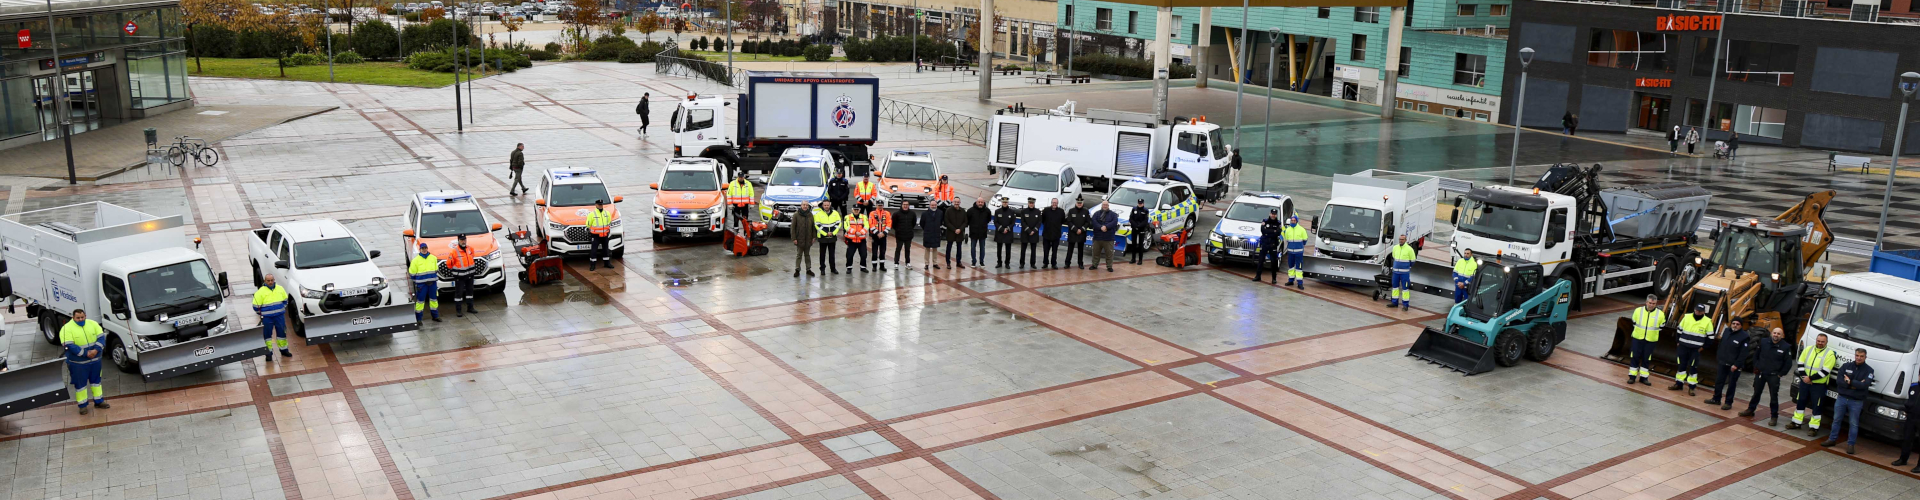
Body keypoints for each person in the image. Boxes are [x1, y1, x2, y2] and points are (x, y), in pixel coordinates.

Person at [1822, 348, 1875, 453]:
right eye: (1857, 355)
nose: (1859, 358)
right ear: (1854, 355)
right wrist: (1855, 384)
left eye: (1861, 356)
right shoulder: (1846, 366)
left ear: (1865, 357)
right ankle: (1832, 439)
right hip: (1841, 398)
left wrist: (1850, 382)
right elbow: (1839, 382)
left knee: (1853, 423)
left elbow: (1865, 385)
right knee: (1836, 420)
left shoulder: (1869, 370)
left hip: (1856, 401)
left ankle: (1851, 445)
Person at [1787, 333, 1838, 436]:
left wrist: (1810, 378)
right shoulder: (1808, 349)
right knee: (1800, 401)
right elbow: (1800, 363)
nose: (1820, 343)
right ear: (1816, 340)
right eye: (1818, 341)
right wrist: (1805, 377)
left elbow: (1825, 371)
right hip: (1805, 382)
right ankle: (1796, 422)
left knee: (1817, 405)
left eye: (1822, 341)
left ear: (1826, 342)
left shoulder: (1830, 354)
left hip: (1818, 385)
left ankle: (1814, 428)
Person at [1742, 327, 1795, 426]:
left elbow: (1788, 364)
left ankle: (1774, 416)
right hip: (1761, 374)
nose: (1776, 335)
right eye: (1774, 333)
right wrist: (1756, 366)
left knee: (1773, 397)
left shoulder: (1786, 347)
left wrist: (1780, 374)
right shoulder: (1763, 342)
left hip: (1774, 376)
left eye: (1778, 334)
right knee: (1756, 393)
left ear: (1782, 336)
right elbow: (1756, 355)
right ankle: (1750, 410)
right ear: (1771, 334)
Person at [60, 309, 109, 415]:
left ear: (85, 316)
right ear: (73, 317)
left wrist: (95, 350)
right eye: (78, 318)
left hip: (95, 360)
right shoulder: (66, 329)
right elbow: (69, 345)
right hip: (78, 364)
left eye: (82, 317)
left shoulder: (93, 324)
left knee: (96, 382)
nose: (81, 319)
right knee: (80, 385)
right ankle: (82, 406)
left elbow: (101, 338)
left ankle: (99, 401)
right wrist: (85, 353)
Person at [1704, 318, 1752, 410]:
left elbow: (1743, 353)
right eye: (1733, 323)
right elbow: (1721, 344)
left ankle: (1728, 402)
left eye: (1737, 324)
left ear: (1741, 326)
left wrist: (1736, 365)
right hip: (1723, 362)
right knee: (1719, 381)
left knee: (1731, 384)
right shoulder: (1726, 331)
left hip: (1734, 366)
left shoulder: (1744, 336)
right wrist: (1719, 356)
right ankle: (1716, 399)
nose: (1735, 325)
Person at [1672, 304, 1713, 395]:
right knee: (1681, 366)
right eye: (1697, 310)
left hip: (1695, 350)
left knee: (1693, 368)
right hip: (1683, 347)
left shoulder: (1707, 321)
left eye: (1700, 311)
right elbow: (1679, 330)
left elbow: (1710, 337)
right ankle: (1679, 384)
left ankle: (1691, 387)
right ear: (1694, 310)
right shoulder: (1686, 317)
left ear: (1703, 312)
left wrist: (1702, 348)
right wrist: (1678, 342)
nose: (1698, 312)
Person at [1627, 294, 1665, 386]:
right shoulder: (1638, 311)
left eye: (1653, 303)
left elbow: (1662, 326)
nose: (1651, 305)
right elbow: (1634, 322)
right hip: (1637, 338)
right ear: (1646, 302)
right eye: (1650, 303)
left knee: (1646, 358)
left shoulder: (1660, 314)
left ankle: (1644, 378)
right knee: (1635, 357)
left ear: (1656, 304)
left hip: (1650, 340)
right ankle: (1632, 377)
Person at [254, 274, 294, 362]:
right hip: (267, 318)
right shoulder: (260, 292)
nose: (270, 282)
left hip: (279, 316)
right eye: (268, 280)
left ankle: (284, 350)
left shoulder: (280, 289)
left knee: (282, 334)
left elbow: (285, 300)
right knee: (267, 336)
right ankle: (268, 353)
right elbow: (256, 307)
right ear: (265, 281)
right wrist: (263, 314)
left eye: (272, 280)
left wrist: (280, 309)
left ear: (274, 280)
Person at [409, 242, 443, 322]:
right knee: (420, 301)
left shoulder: (433, 258)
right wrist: (417, 282)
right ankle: (419, 319)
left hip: (432, 284)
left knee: (434, 300)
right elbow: (412, 273)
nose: (424, 250)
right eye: (422, 249)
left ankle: (435, 316)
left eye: (425, 248)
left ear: (427, 248)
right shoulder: (415, 261)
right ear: (420, 249)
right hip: (421, 285)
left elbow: (436, 270)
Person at [448, 235, 479, 316]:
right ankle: (458, 310)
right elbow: (449, 264)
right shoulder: (454, 251)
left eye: (464, 239)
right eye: (461, 240)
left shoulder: (470, 249)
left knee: (470, 292)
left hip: (470, 275)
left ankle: (470, 307)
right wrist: (456, 272)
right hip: (460, 277)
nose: (463, 241)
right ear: (458, 241)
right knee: (459, 294)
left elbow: (472, 258)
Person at [1894, 375, 1920, 472]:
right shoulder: (1913, 386)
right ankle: (1903, 459)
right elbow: (1910, 399)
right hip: (1911, 417)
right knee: (1907, 439)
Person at [1251, 210, 1282, 284]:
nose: (1273, 215)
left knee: (1273, 262)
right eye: (1272, 214)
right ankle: (1258, 276)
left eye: (1274, 214)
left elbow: (1278, 233)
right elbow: (1263, 231)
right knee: (1260, 261)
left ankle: (1274, 278)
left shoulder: (1278, 223)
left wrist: (1268, 232)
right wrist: (1273, 231)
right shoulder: (1265, 221)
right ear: (1270, 214)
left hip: (1273, 244)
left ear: (1276, 215)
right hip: (1264, 243)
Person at [1387, 234, 1417, 311]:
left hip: (1405, 273)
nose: (1401, 240)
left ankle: (1405, 305)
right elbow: (1394, 257)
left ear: (1405, 240)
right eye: (1400, 239)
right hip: (1395, 272)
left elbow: (1413, 261)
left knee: (1405, 289)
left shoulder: (1409, 249)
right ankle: (1394, 302)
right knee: (1395, 288)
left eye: (1402, 239)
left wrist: (1407, 267)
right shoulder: (1395, 248)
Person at [814, 201, 842, 275]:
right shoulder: (818, 214)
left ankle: (833, 268)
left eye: (827, 205)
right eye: (825, 205)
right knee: (822, 255)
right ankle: (822, 269)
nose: (826, 206)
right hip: (823, 237)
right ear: (822, 206)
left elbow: (838, 223)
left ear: (830, 205)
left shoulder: (835, 213)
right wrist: (826, 233)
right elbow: (817, 225)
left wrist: (833, 233)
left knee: (832, 254)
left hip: (832, 237)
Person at [1091, 201, 1120, 272]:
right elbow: (1094, 222)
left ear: (1108, 205)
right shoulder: (1096, 213)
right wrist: (1100, 227)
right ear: (1102, 205)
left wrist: (1106, 227)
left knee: (1109, 254)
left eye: (1106, 205)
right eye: (1104, 205)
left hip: (1109, 238)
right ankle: (1094, 265)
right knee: (1095, 252)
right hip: (1098, 237)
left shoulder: (1113, 215)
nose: (1105, 206)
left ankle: (1109, 266)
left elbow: (1114, 222)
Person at [1282, 215, 1309, 289]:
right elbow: (1287, 239)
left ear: (1297, 221)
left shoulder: (1301, 229)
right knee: (1290, 267)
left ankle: (1300, 283)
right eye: (1292, 220)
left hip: (1299, 253)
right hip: (1290, 252)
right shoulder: (1288, 230)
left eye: (1294, 220)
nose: (1293, 222)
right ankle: (1291, 280)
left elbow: (1305, 240)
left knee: (1299, 268)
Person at [586, 199, 614, 269]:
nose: (600, 206)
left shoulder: (607, 213)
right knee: (594, 250)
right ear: (596, 205)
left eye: (601, 204)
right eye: (599, 204)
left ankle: (607, 263)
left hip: (605, 235)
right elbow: (588, 224)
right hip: (596, 235)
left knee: (606, 249)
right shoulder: (592, 214)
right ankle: (592, 265)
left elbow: (609, 222)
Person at [1065, 200, 1091, 269]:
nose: (1079, 204)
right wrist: (1076, 230)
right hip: (1073, 233)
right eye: (1078, 203)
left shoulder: (1086, 211)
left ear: (1082, 203)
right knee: (1070, 250)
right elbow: (1069, 221)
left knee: (1080, 250)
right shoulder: (1071, 211)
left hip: (1081, 234)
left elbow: (1088, 222)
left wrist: (1081, 229)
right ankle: (1067, 263)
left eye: (1080, 203)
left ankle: (1080, 263)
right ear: (1076, 203)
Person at [842, 206, 869, 273]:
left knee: (863, 254)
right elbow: (846, 227)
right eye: (855, 209)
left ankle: (863, 267)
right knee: (849, 255)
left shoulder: (864, 217)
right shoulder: (847, 217)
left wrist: (861, 232)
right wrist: (855, 232)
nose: (856, 211)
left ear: (859, 210)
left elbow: (867, 226)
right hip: (851, 240)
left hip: (861, 239)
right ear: (852, 210)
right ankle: (849, 268)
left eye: (857, 209)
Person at [792, 204, 816, 277]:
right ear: (801, 205)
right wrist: (794, 238)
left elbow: (813, 226)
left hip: (808, 238)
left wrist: (814, 236)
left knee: (807, 255)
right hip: (799, 238)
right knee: (799, 255)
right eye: (804, 205)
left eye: (806, 205)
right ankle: (797, 269)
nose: (805, 206)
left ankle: (808, 269)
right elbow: (793, 227)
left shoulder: (810, 215)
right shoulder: (796, 214)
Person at [1041, 199, 1066, 268]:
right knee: (1046, 250)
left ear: (1057, 203)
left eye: (1056, 203)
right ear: (1051, 203)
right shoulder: (1046, 210)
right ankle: (1045, 263)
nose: (1054, 204)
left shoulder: (1061, 211)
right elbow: (1042, 220)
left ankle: (1054, 264)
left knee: (1054, 251)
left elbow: (1063, 221)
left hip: (1056, 234)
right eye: (1053, 202)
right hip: (1046, 234)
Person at [993, 199, 1017, 268]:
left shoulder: (1012, 212)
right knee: (999, 249)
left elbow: (1013, 222)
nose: (1005, 203)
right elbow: (995, 222)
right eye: (1003, 202)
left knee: (1008, 249)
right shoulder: (997, 211)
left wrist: (1007, 229)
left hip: (1008, 233)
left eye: (1006, 202)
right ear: (1002, 203)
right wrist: (1002, 229)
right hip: (1000, 232)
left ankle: (1007, 263)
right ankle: (999, 262)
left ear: (1008, 203)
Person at [945, 201, 969, 269]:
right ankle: (948, 263)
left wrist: (960, 229)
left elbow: (965, 222)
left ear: (960, 202)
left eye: (958, 202)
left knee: (959, 248)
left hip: (959, 233)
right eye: (955, 202)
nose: (956, 203)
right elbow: (947, 222)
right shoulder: (948, 210)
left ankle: (958, 262)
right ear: (953, 202)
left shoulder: (963, 211)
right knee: (949, 248)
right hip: (950, 232)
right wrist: (954, 229)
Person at [968, 199, 991, 267]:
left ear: (984, 203)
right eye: (979, 202)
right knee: (972, 248)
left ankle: (981, 262)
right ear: (976, 202)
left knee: (982, 248)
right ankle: (973, 261)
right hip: (973, 232)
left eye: (982, 202)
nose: (980, 203)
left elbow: (988, 219)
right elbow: (968, 220)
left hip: (982, 233)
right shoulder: (970, 210)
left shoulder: (987, 211)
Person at [1019, 199, 1042, 269]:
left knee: (1033, 249)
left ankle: (1033, 263)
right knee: (1023, 249)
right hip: (1025, 233)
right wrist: (1029, 230)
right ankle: (1022, 263)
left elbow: (1039, 222)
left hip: (1034, 233)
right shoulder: (1023, 211)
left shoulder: (1038, 211)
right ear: (1028, 203)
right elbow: (1022, 222)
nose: (1031, 204)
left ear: (1034, 203)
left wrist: (1034, 231)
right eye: (1030, 203)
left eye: (1032, 203)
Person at [869, 204, 892, 271]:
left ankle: (882, 266)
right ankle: (874, 266)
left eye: (881, 205)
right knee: (874, 252)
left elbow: (889, 223)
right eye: (879, 205)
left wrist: (884, 233)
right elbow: (871, 223)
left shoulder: (887, 213)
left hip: (883, 236)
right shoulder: (872, 213)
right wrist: (877, 233)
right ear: (876, 205)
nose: (880, 206)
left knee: (882, 251)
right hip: (875, 235)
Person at [921, 202, 944, 269]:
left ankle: (935, 263)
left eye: (935, 205)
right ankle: (926, 263)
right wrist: (926, 229)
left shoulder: (940, 213)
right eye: (932, 205)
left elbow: (941, 221)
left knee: (935, 248)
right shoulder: (924, 214)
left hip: (936, 233)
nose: (934, 206)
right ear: (929, 205)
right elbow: (922, 223)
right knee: (927, 249)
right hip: (928, 233)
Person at [1128, 200, 1151, 265]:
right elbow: (1131, 218)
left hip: (1141, 228)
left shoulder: (1145, 210)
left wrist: (1139, 226)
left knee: (1141, 245)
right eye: (1139, 203)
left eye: (1141, 204)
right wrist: (1135, 226)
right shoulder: (1134, 209)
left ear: (1143, 204)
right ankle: (1133, 259)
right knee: (1133, 244)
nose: (1140, 204)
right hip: (1134, 228)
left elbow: (1145, 220)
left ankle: (1140, 260)